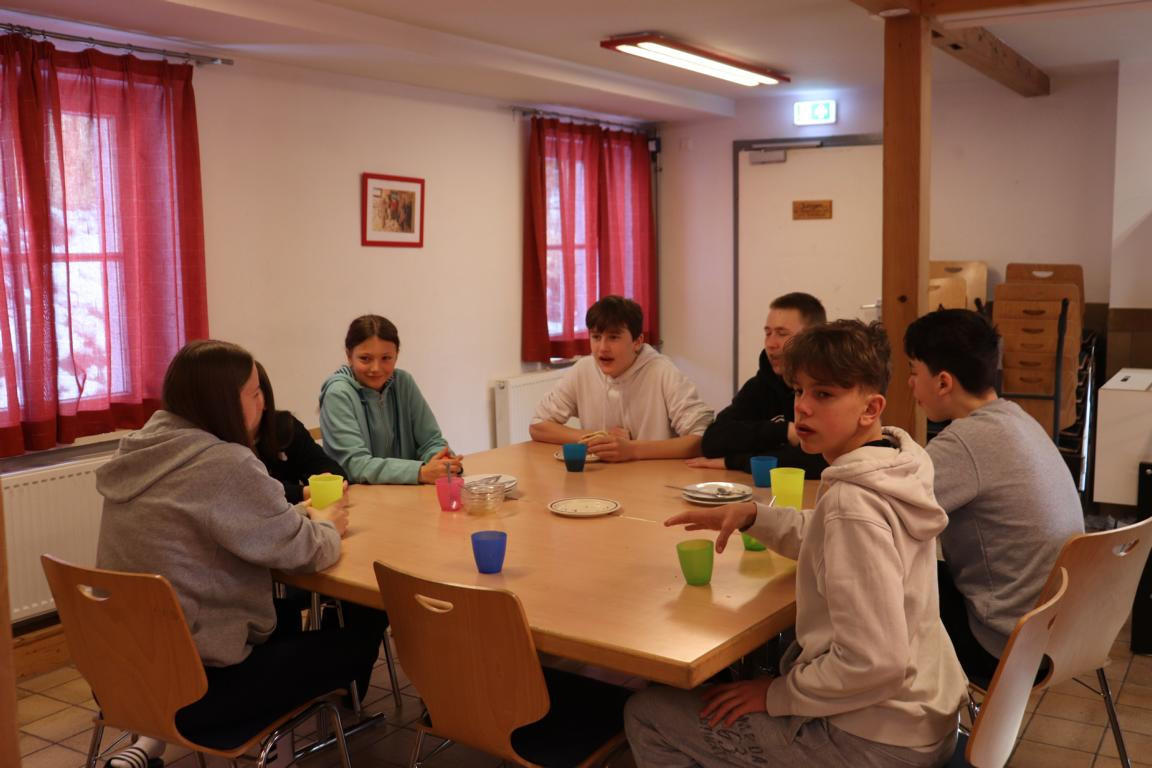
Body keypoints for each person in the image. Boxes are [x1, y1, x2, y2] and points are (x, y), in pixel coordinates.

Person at [625, 320, 967, 768]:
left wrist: (777, 694)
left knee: (647, 713)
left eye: (823, 394)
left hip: (876, 739)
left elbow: (874, 663)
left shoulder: (852, 504)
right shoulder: (894, 463)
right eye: (799, 390)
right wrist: (754, 515)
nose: (802, 407)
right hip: (926, 713)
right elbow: (828, 537)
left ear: (870, 408)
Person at [95, 340, 383, 763]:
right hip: (203, 688)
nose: (263, 403)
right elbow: (306, 551)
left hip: (122, 676)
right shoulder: (224, 463)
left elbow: (232, 527)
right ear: (224, 400)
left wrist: (299, 519)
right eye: (255, 392)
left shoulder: (140, 450)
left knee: (284, 615)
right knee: (366, 619)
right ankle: (307, 729)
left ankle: (152, 738)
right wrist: (325, 524)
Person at [905, 308, 1084, 682]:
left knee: (892, 576)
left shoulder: (965, 443)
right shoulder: (1018, 418)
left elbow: (882, 513)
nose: (909, 384)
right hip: (1061, 634)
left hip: (1002, 648)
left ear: (943, 382)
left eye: (913, 371)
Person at [529, 295, 713, 461]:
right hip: (601, 477)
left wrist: (633, 450)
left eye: (613, 337)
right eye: (596, 337)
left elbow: (701, 439)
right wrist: (598, 437)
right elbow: (538, 426)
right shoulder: (583, 369)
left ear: (637, 341)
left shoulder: (662, 371)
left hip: (655, 478)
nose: (602, 348)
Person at [691, 292, 828, 477]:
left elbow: (822, 459)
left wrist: (735, 461)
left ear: (812, 338)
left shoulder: (828, 389)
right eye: (768, 333)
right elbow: (712, 441)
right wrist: (784, 431)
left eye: (782, 333)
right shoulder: (761, 384)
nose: (770, 344)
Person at [320, 315, 460, 484]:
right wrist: (420, 472)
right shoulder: (337, 394)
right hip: (357, 495)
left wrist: (442, 461)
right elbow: (355, 464)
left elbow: (431, 440)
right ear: (349, 356)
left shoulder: (404, 382)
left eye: (386, 358)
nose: (376, 368)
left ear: (396, 355)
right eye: (365, 358)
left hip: (407, 491)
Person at [254, 361, 344, 503]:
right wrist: (303, 492)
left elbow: (326, 468)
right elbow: (252, 493)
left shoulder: (284, 426)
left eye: (255, 394)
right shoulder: (222, 446)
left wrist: (328, 479)